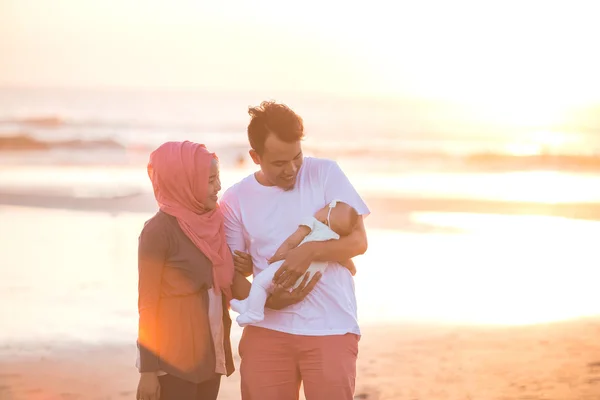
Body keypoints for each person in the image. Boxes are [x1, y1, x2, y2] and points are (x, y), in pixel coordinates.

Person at [220, 101, 370, 400]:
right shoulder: (236, 199)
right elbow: (233, 275)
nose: (291, 170)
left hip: (331, 327)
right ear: (255, 157)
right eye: (278, 163)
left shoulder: (326, 173)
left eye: (296, 158)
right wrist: (271, 302)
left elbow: (358, 242)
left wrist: (310, 251)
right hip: (267, 331)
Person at [135, 141, 251, 400]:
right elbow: (148, 304)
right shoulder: (158, 231)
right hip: (172, 363)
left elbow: (228, 277)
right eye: (210, 180)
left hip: (211, 356)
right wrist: (148, 371)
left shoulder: (215, 222)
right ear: (184, 181)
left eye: (218, 177)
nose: (218, 187)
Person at [230, 200, 359, 327]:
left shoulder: (313, 223)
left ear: (325, 218)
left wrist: (276, 258)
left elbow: (291, 242)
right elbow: (346, 262)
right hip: (303, 282)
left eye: (324, 208)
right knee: (267, 287)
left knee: (260, 283)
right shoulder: (334, 240)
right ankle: (247, 304)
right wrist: (352, 269)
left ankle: (254, 313)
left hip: (289, 268)